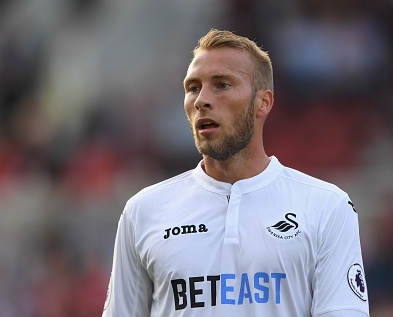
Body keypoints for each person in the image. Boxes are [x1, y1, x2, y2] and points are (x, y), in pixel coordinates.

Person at [102, 29, 369, 317]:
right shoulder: (143, 212)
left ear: (263, 102)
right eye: (193, 88)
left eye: (222, 85)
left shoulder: (326, 206)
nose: (201, 99)